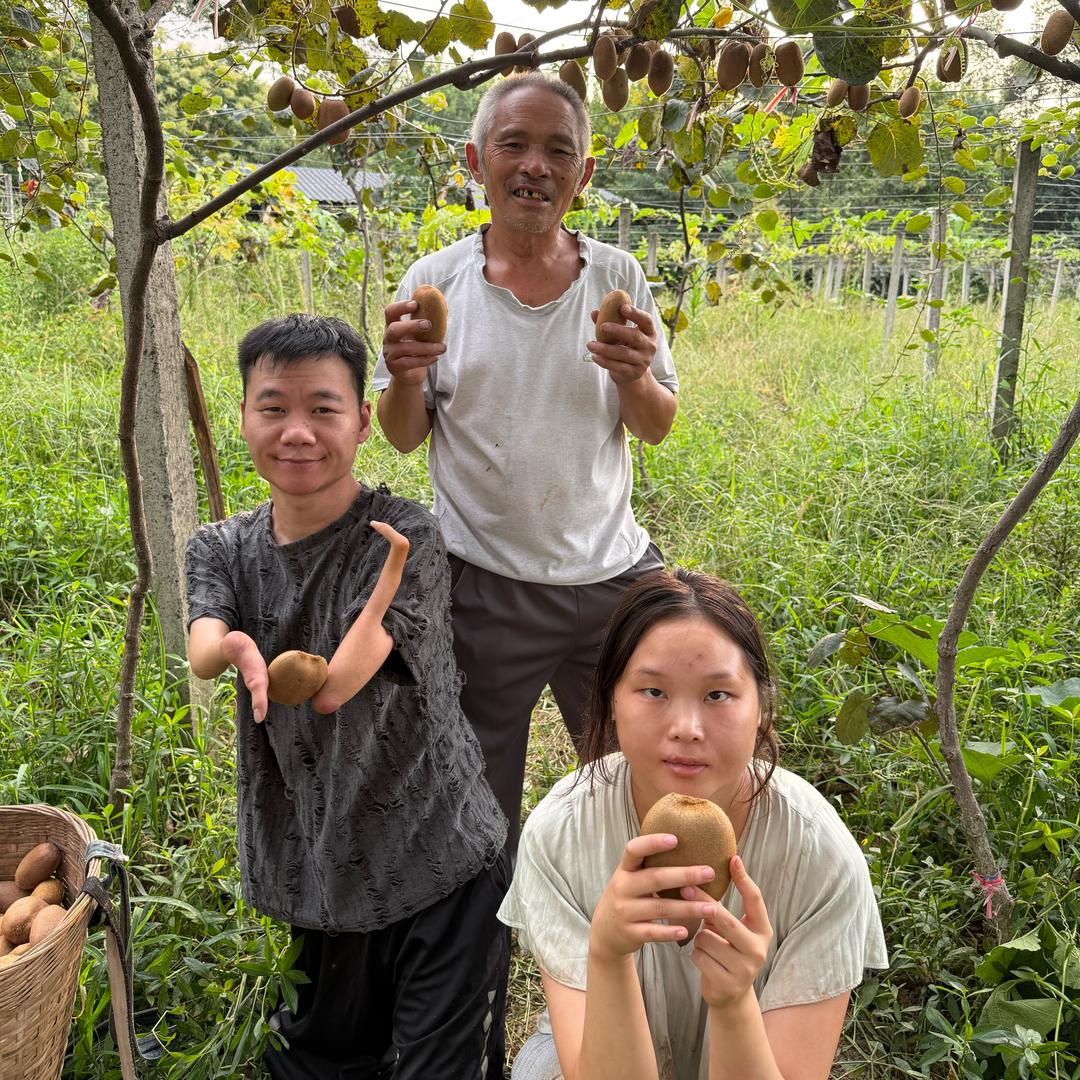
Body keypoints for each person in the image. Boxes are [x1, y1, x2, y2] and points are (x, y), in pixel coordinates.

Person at [184, 314, 510, 1079]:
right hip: (320, 874)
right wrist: (233, 647)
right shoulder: (220, 547)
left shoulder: (406, 534)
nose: (297, 431)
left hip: (443, 863)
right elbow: (203, 645)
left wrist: (390, 571)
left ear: (363, 421)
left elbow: (334, 687)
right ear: (243, 417)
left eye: (323, 409)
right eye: (273, 407)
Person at [375, 72, 679, 848]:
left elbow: (655, 425)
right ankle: (488, 925)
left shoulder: (617, 278)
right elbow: (403, 435)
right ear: (476, 162)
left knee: (642, 786)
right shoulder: (435, 282)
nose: (535, 166)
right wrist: (404, 377)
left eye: (558, 151)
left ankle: (625, 918)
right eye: (513, 145)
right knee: (478, 810)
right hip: (484, 583)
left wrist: (634, 376)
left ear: (585, 173)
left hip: (613, 578)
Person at [499, 569, 888, 1080]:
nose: (686, 729)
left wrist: (734, 1002)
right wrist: (609, 955)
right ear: (612, 699)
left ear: (762, 707)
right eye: (653, 691)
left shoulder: (820, 855)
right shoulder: (561, 833)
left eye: (717, 695)